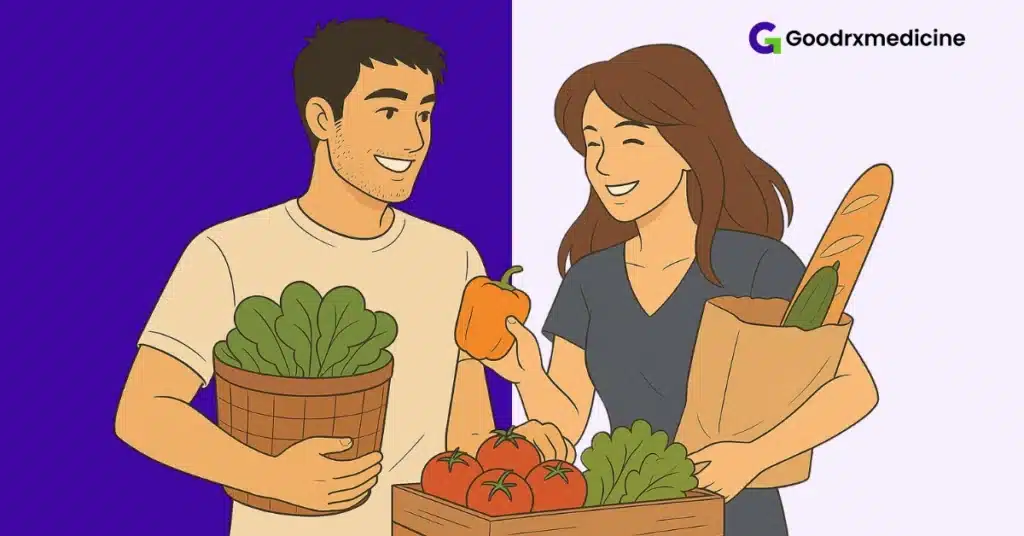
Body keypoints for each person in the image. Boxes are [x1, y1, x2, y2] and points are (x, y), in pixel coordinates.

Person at [113, 18, 565, 536]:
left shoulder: (455, 256)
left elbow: (462, 444)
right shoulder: (228, 251)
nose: (414, 138)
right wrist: (271, 477)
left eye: (425, 114)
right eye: (389, 111)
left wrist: (513, 452)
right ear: (324, 118)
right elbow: (144, 412)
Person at [484, 44, 880, 536]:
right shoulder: (590, 279)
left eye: (631, 142)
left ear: (688, 148)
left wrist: (753, 457)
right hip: (626, 511)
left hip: (737, 514)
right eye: (593, 145)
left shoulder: (758, 266)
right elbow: (566, 423)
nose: (605, 165)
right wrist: (526, 374)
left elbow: (852, 389)